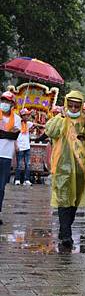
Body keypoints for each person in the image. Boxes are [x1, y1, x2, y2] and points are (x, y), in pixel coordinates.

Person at [45, 91, 85, 249]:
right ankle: (66, 234)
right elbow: (50, 131)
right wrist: (61, 117)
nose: (73, 108)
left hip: (80, 169)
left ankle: (65, 230)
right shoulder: (60, 119)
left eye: (77, 105)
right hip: (62, 167)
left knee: (74, 202)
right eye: (70, 105)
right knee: (63, 200)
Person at [0, 91, 21, 225]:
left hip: (6, 157)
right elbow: (9, 134)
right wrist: (8, 133)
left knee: (1, 188)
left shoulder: (17, 119)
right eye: (3, 100)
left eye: (7, 101)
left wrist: (5, 133)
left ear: (12, 104)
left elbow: (14, 135)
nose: (4, 104)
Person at [15, 108, 36, 186]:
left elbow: (35, 125)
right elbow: (14, 136)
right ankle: (17, 179)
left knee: (28, 164)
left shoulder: (28, 123)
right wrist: (16, 145)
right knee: (19, 164)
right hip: (20, 147)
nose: (27, 117)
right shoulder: (17, 124)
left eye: (28, 115)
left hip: (27, 147)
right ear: (22, 116)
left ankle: (26, 180)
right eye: (26, 115)